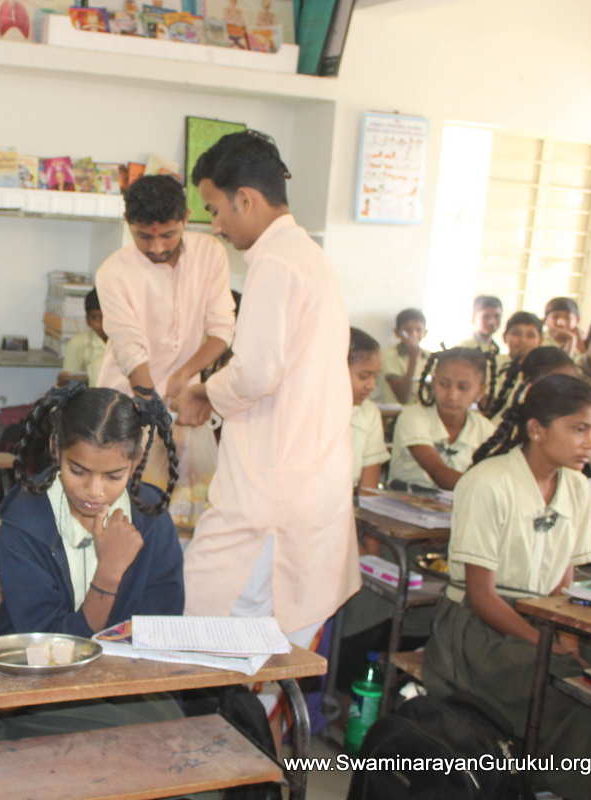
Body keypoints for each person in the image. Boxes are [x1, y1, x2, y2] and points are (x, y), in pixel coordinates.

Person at [174, 130, 358, 646]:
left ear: (247, 200)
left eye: (216, 210)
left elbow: (257, 373)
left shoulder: (275, 263)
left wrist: (203, 392)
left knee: (204, 625)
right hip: (306, 479)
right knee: (269, 643)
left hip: (271, 492)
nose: (216, 225)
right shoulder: (308, 256)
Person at [424, 375, 591, 799]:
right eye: (579, 429)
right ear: (537, 429)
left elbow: (565, 576)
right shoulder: (488, 482)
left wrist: (567, 634)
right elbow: (481, 596)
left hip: (544, 618)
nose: (590, 443)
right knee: (578, 692)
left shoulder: (576, 485)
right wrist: (545, 641)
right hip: (477, 632)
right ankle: (561, 786)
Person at [94, 174, 236, 525]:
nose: (157, 247)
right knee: (122, 512)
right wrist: (150, 403)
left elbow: (222, 330)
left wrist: (185, 375)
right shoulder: (114, 271)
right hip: (126, 405)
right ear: (128, 223)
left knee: (185, 512)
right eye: (144, 236)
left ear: (186, 218)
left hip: (183, 405)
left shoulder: (210, 254)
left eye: (168, 235)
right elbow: (128, 345)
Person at [0, 384, 183, 636]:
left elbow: (162, 619)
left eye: (113, 476)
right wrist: (109, 572)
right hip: (34, 655)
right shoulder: (24, 522)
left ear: (136, 461)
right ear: (55, 448)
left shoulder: (151, 515)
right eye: (78, 471)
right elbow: (47, 637)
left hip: (125, 659)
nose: (94, 491)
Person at [387, 348, 495, 492]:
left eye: (463, 387)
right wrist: (486, 491)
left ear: (480, 391)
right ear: (433, 382)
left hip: (459, 502)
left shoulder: (486, 429)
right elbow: (438, 472)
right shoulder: (413, 416)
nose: (452, 395)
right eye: (444, 384)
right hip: (406, 502)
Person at [487, 345, 578, 424]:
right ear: (529, 385)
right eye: (558, 385)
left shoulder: (577, 416)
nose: (566, 391)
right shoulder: (506, 426)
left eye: (571, 384)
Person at [349, 328, 389, 489]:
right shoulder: (307, 411)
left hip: (349, 499)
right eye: (363, 376)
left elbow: (368, 488)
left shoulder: (369, 412)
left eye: (375, 377)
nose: (371, 385)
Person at [492, 312, 548, 415]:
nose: (523, 340)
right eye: (516, 334)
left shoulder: (544, 373)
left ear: (540, 340)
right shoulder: (490, 365)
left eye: (530, 336)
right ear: (504, 337)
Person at [377, 308, 428, 405]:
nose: (413, 334)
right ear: (397, 333)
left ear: (425, 333)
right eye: (407, 330)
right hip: (398, 411)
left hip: (424, 410)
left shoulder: (429, 356)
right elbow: (403, 397)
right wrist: (413, 359)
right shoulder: (388, 356)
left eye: (418, 330)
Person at [57, 289, 108, 387]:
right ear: (87, 319)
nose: (101, 324)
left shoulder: (125, 343)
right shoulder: (78, 343)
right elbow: (67, 384)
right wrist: (65, 380)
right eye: (95, 318)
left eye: (105, 317)